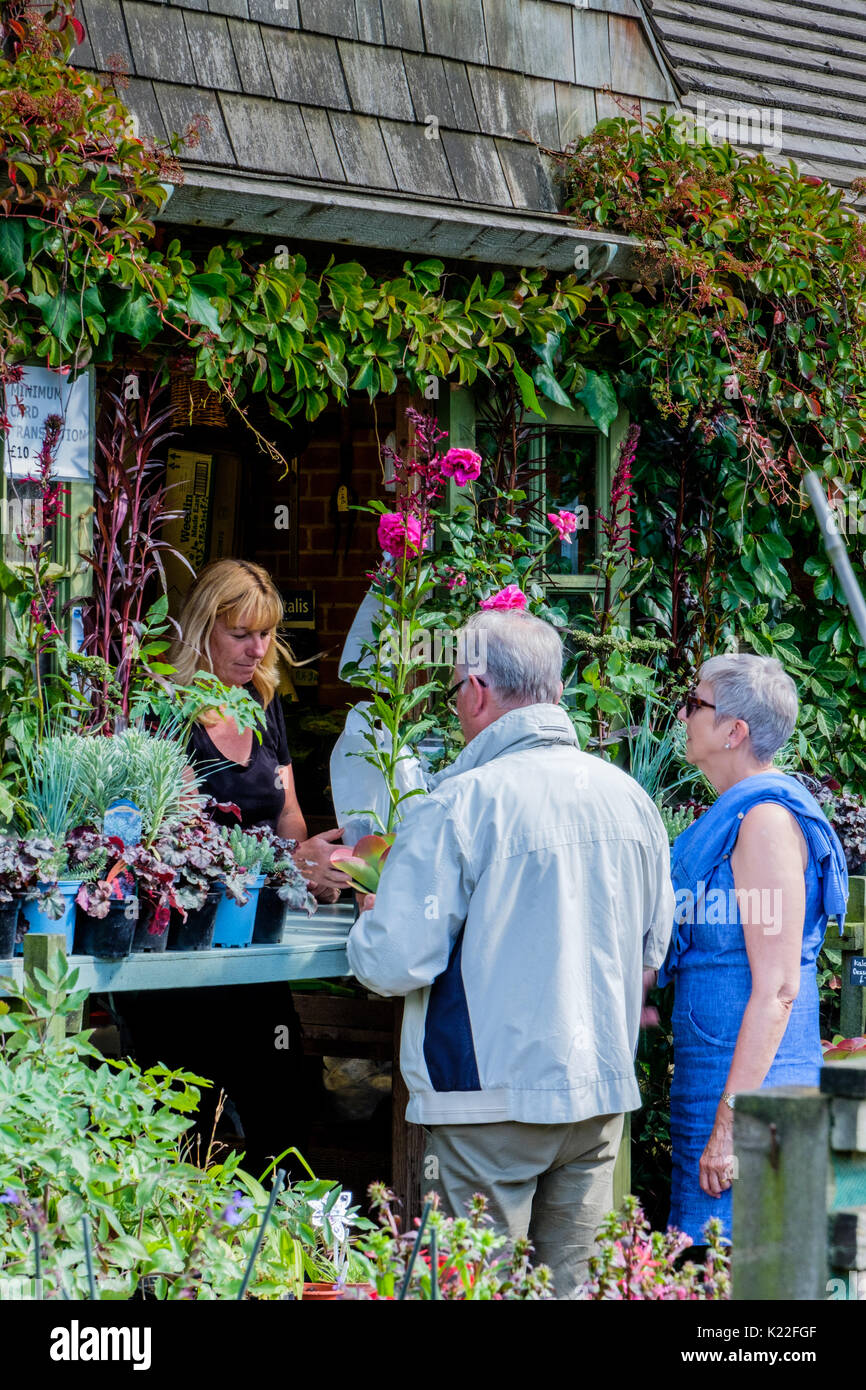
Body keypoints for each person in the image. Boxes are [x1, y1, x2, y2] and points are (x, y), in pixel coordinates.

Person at [346, 608, 675, 1297]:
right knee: (572, 1292)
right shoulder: (630, 798)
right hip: (598, 1095)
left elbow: (391, 963)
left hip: (487, 1102)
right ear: (555, 691)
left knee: (469, 1289)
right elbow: (653, 949)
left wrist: (370, 910)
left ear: (475, 689)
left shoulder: (459, 804)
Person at [123, 559, 349, 1174]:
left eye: (267, 634)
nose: (257, 649)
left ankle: (280, 1252)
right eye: (240, 634)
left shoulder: (260, 702)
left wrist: (311, 860)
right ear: (202, 631)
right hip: (183, 954)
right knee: (190, 1128)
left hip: (255, 949)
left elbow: (288, 811)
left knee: (281, 1110)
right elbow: (179, 835)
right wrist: (286, 865)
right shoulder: (163, 712)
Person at [659, 654, 848, 1247]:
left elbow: (779, 988)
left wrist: (729, 1125)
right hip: (720, 1082)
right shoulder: (738, 815)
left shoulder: (764, 821)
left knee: (736, 1276)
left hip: (751, 1101)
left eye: (696, 704)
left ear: (734, 730)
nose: (683, 713)